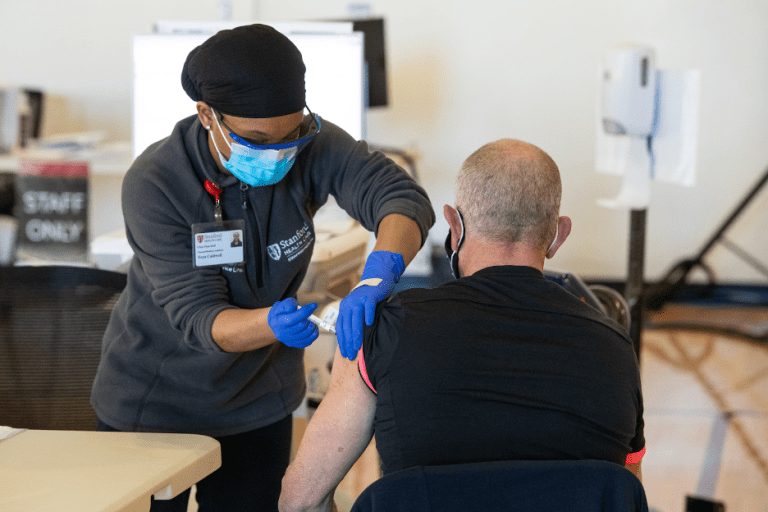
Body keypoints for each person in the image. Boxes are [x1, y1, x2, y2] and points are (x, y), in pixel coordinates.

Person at [90, 24, 434, 511]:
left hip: (258, 407)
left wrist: (379, 274)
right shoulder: (155, 183)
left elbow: (400, 196)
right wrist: (270, 323)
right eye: (256, 139)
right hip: (155, 410)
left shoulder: (307, 144)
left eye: (289, 135)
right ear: (207, 115)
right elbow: (200, 319)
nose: (278, 153)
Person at [279, 139, 645, 512]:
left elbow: (300, 501)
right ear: (558, 234)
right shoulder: (616, 349)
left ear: (454, 225)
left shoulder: (382, 331)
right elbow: (624, 495)